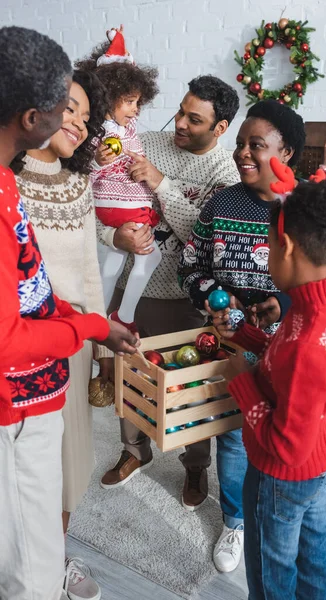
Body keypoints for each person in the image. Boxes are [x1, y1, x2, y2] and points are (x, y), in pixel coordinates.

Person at [177, 99, 326, 572]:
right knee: (235, 442)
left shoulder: (311, 210)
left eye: (255, 145)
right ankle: (236, 521)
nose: (242, 153)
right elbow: (190, 265)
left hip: (293, 358)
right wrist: (216, 297)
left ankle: (270, 524)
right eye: (240, 142)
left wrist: (284, 303)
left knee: (280, 457)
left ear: (288, 152)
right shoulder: (220, 203)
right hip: (234, 340)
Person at [0, 26, 138, 600]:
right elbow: (9, 341)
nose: (76, 122)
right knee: (28, 572)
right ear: (34, 118)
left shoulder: (6, 183)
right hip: (15, 405)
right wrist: (89, 326)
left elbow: (31, 282)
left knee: (28, 535)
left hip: (49, 374)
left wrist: (89, 322)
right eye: (66, 106)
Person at [97, 76, 240, 525]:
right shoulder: (145, 141)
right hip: (131, 288)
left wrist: (161, 184)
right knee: (129, 376)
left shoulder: (225, 175)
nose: (178, 123)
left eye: (193, 119)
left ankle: (194, 469)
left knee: (189, 388)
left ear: (220, 128)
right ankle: (133, 451)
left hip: (185, 299)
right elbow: (98, 196)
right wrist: (112, 230)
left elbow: (204, 235)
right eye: (179, 111)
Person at [212, 179, 326, 600]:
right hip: (324, 456)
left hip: (282, 476)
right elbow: (288, 360)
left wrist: (240, 381)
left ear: (287, 246)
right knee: (313, 551)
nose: (268, 256)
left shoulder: (307, 343)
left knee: (272, 568)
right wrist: (247, 335)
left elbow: (285, 445)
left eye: (269, 248)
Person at [15, 69, 112, 600]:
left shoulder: (79, 186)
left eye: (84, 114)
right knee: (22, 462)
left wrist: (99, 343)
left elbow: (89, 271)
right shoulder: (9, 178)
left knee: (69, 458)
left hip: (71, 340)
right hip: (20, 345)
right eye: (68, 106)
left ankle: (55, 558)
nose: (76, 120)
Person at [76, 25, 160, 332]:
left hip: (122, 212)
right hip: (119, 210)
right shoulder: (100, 133)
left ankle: (97, 321)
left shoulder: (126, 132)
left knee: (110, 268)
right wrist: (98, 162)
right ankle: (122, 317)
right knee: (151, 257)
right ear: (109, 96)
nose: (136, 110)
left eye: (138, 102)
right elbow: (82, 175)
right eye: (130, 101)